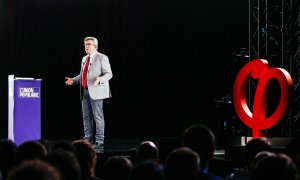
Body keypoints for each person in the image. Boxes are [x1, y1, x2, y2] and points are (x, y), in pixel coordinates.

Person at [65, 36, 113, 150]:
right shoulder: (84, 59)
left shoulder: (102, 57)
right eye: (85, 44)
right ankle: (88, 139)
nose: (86, 46)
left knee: (98, 117)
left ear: (95, 46)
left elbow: (109, 74)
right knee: (86, 117)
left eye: (89, 44)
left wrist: (100, 79)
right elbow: (82, 76)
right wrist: (73, 80)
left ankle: (99, 141)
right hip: (84, 91)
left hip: (96, 91)